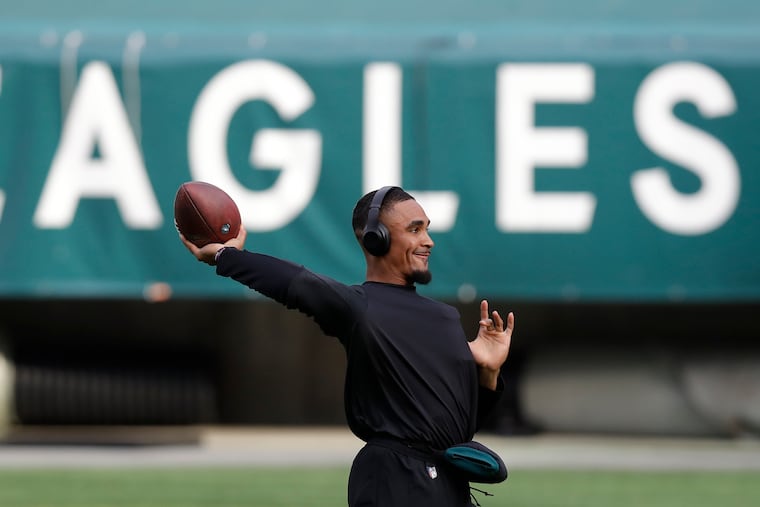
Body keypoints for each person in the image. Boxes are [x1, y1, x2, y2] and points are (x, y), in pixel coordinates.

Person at [179, 185, 514, 507]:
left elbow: (458, 429)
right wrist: (227, 256)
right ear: (376, 239)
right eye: (414, 230)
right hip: (394, 482)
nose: (428, 241)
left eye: (426, 229)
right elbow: (297, 283)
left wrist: (489, 371)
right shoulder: (362, 308)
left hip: (448, 486)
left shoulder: (445, 319)